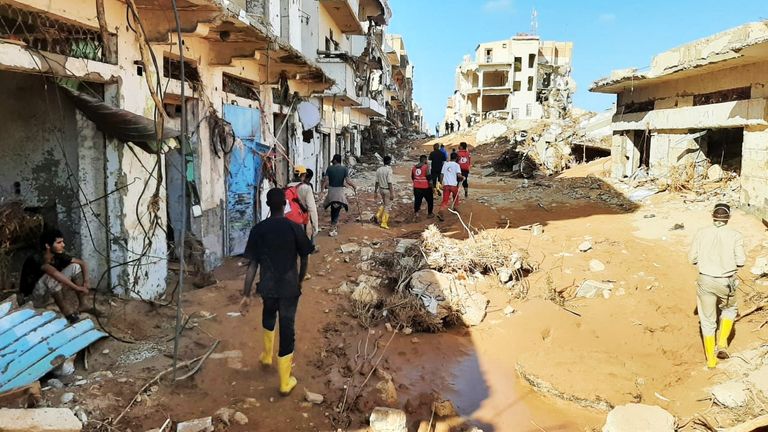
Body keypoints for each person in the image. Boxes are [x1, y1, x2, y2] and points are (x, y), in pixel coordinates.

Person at [240, 188, 314, 395]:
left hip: (268, 286)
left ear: (267, 205)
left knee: (268, 314)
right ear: (285, 204)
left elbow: (252, 265)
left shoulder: (259, 229)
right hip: (289, 287)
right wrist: (299, 280)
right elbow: (305, 257)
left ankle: (266, 355)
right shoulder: (294, 228)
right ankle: (284, 381)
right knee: (287, 327)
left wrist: (246, 294)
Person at [689, 203, 746, 368]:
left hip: (705, 279)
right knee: (729, 309)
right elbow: (741, 261)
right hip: (726, 281)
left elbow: (692, 258)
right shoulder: (736, 235)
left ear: (712, 215)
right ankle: (722, 344)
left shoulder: (701, 233)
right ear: (729, 217)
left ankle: (711, 360)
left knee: (707, 321)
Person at [20, 228, 91, 323]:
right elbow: (54, 273)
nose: (63, 245)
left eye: (62, 242)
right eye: (59, 243)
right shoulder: (36, 258)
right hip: (33, 299)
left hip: (48, 291)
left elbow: (82, 263)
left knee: (75, 266)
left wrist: (86, 281)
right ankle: (69, 315)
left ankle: (83, 304)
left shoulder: (58, 255)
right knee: (51, 277)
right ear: (47, 245)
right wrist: (77, 288)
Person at [322, 154, 356, 237]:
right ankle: (333, 227)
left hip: (331, 192)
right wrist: (354, 185)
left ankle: (333, 225)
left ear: (335, 160)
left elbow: (326, 181)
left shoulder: (329, 168)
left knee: (333, 208)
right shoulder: (344, 169)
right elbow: (348, 181)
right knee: (337, 209)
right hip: (339, 193)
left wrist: (322, 189)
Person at [287, 166, 319, 251]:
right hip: (304, 219)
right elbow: (311, 207)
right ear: (304, 175)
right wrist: (315, 224)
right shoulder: (306, 188)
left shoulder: (287, 186)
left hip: (290, 219)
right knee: (305, 248)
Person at [437, 153, 464, 221]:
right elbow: (458, 175)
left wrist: (441, 183)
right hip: (453, 185)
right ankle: (455, 208)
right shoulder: (457, 165)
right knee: (456, 197)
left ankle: (441, 212)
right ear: (456, 158)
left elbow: (441, 174)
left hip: (446, 185)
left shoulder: (445, 164)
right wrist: (463, 177)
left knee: (445, 200)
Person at [374, 155, 395, 229]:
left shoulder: (379, 169)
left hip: (381, 189)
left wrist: (375, 191)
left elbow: (376, 182)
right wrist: (392, 193)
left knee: (384, 203)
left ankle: (378, 215)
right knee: (387, 206)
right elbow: (390, 182)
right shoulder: (389, 170)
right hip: (387, 190)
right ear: (389, 161)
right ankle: (384, 222)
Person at [412, 155, 433, 219]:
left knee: (417, 201)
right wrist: (432, 187)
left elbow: (413, 177)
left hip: (416, 187)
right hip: (425, 187)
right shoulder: (426, 167)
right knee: (430, 201)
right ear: (424, 160)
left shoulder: (414, 168)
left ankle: (416, 213)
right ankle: (430, 214)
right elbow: (429, 178)